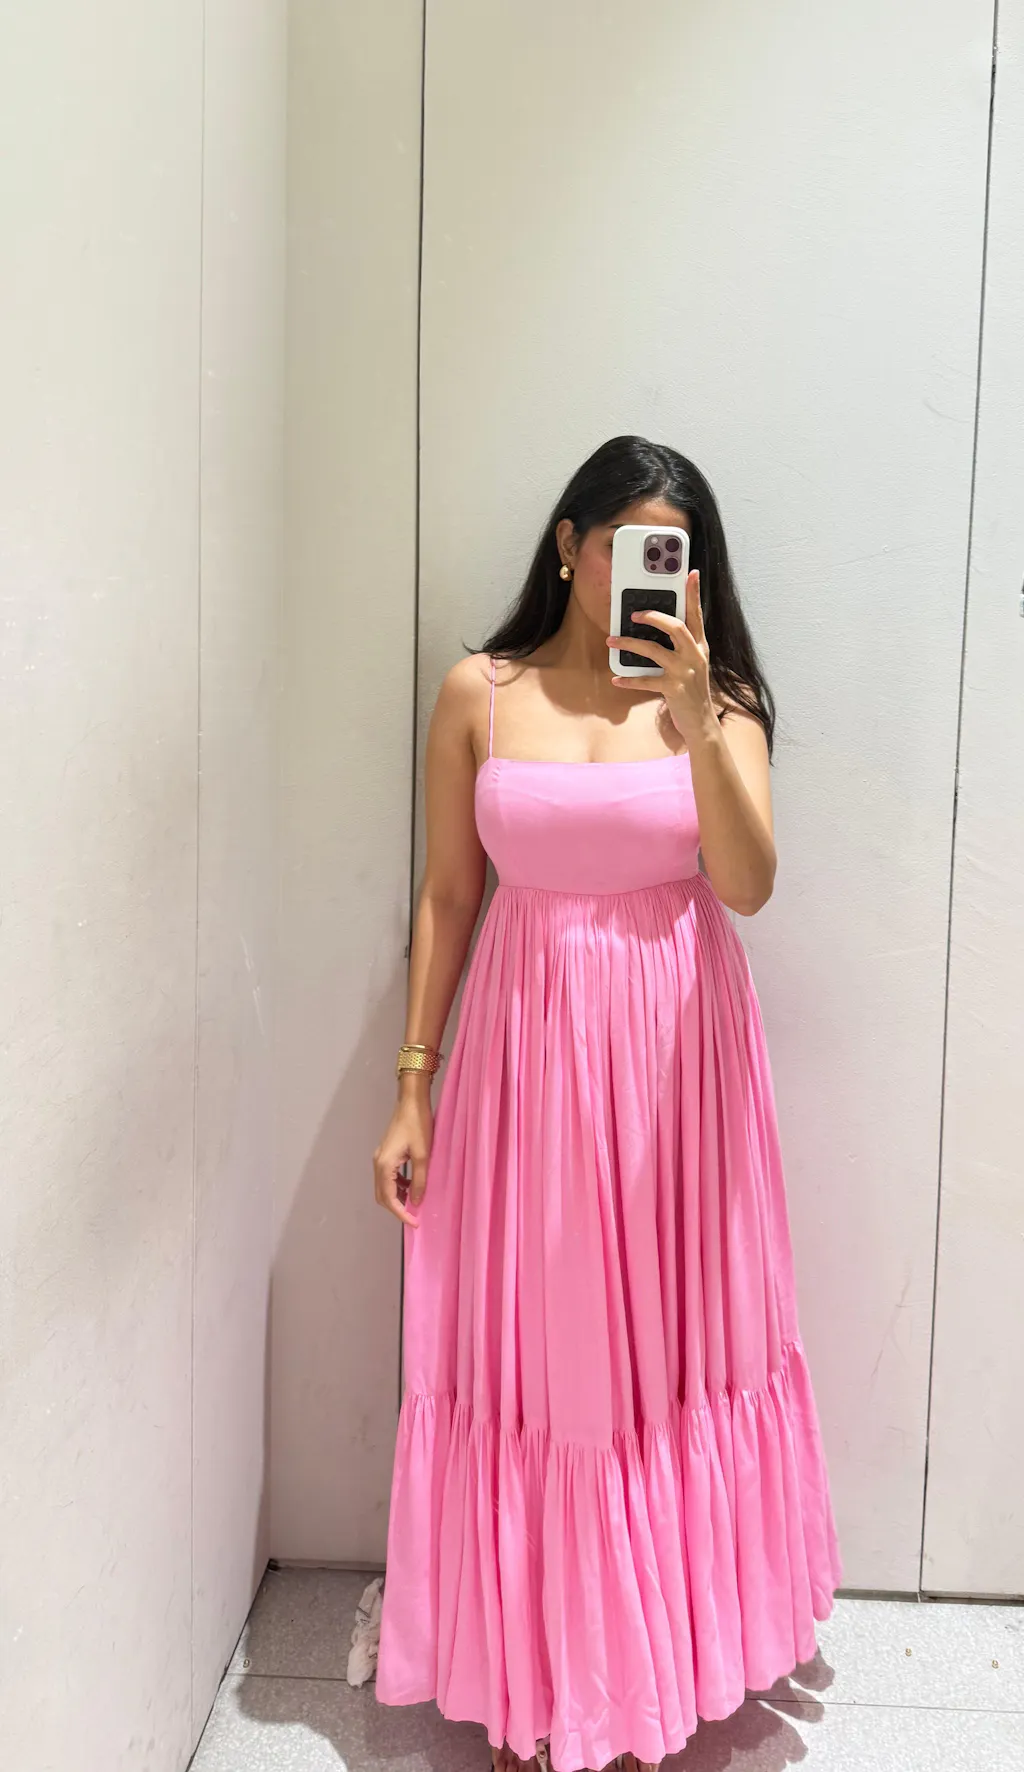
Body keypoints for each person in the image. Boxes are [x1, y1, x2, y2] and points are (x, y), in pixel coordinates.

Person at [372, 436, 842, 1772]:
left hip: (679, 1072)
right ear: (570, 546)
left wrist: (697, 720)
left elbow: (747, 884)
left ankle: (643, 1678)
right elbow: (448, 895)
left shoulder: (720, 699)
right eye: (625, 543)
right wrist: (413, 1085)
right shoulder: (479, 691)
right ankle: (542, 1677)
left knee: (665, 1364)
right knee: (542, 1363)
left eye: (674, 556)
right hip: (525, 1065)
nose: (647, 572)